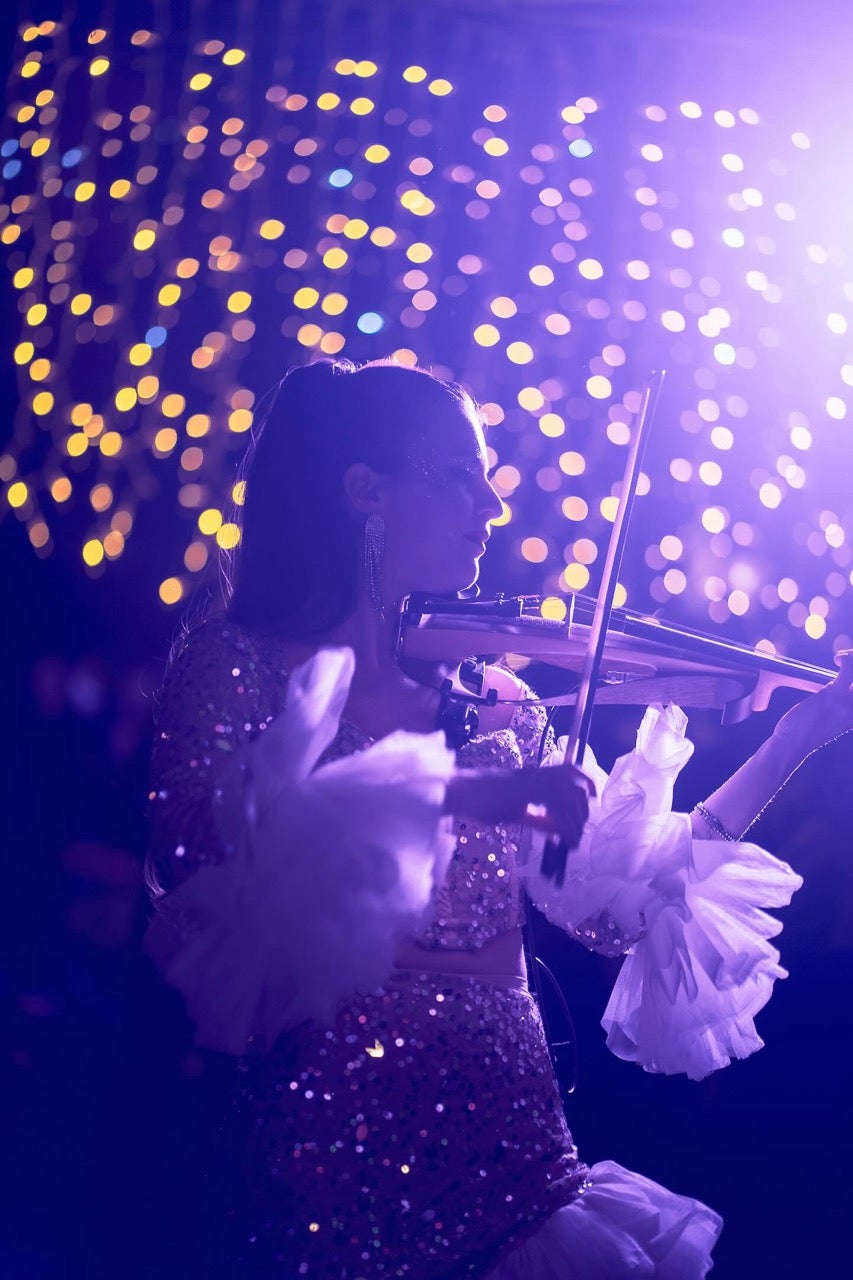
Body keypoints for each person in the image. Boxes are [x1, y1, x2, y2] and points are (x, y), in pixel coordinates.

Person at [145, 358, 853, 1278]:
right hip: (327, 1176)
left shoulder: (493, 701)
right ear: (367, 490)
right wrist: (467, 788)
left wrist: (804, 731)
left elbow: (619, 909)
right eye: (461, 474)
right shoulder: (238, 665)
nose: (492, 505)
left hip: (519, 1185)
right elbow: (219, 866)